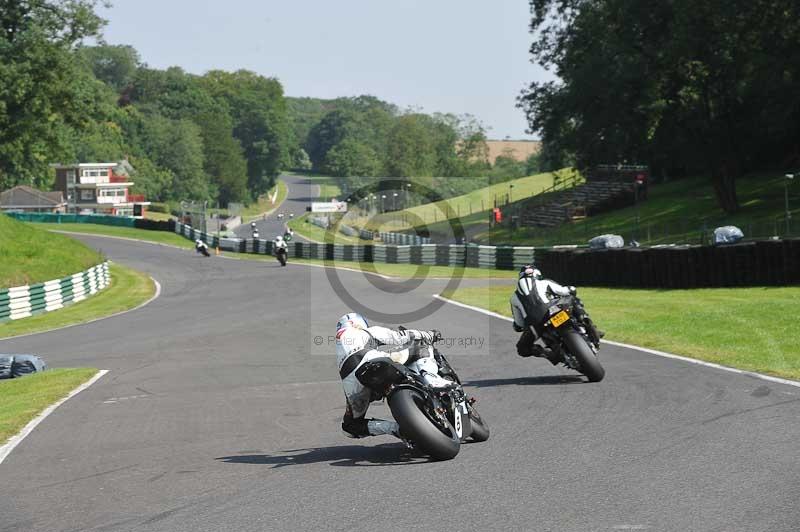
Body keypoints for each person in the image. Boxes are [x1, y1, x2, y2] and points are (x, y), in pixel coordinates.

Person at [335, 312, 452, 439]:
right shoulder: (364, 331)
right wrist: (429, 335)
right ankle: (432, 379)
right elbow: (399, 337)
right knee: (422, 345)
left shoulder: (339, 345)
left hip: (352, 382)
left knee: (350, 427)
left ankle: (396, 429)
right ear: (357, 323)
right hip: (372, 360)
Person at [510, 265, 574, 362]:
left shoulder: (514, 297)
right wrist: (571, 289)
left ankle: (548, 354)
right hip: (552, 310)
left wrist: (518, 326)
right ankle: (587, 324)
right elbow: (565, 291)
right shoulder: (544, 282)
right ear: (537, 275)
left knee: (522, 349)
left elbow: (519, 324)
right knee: (572, 298)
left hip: (536, 325)